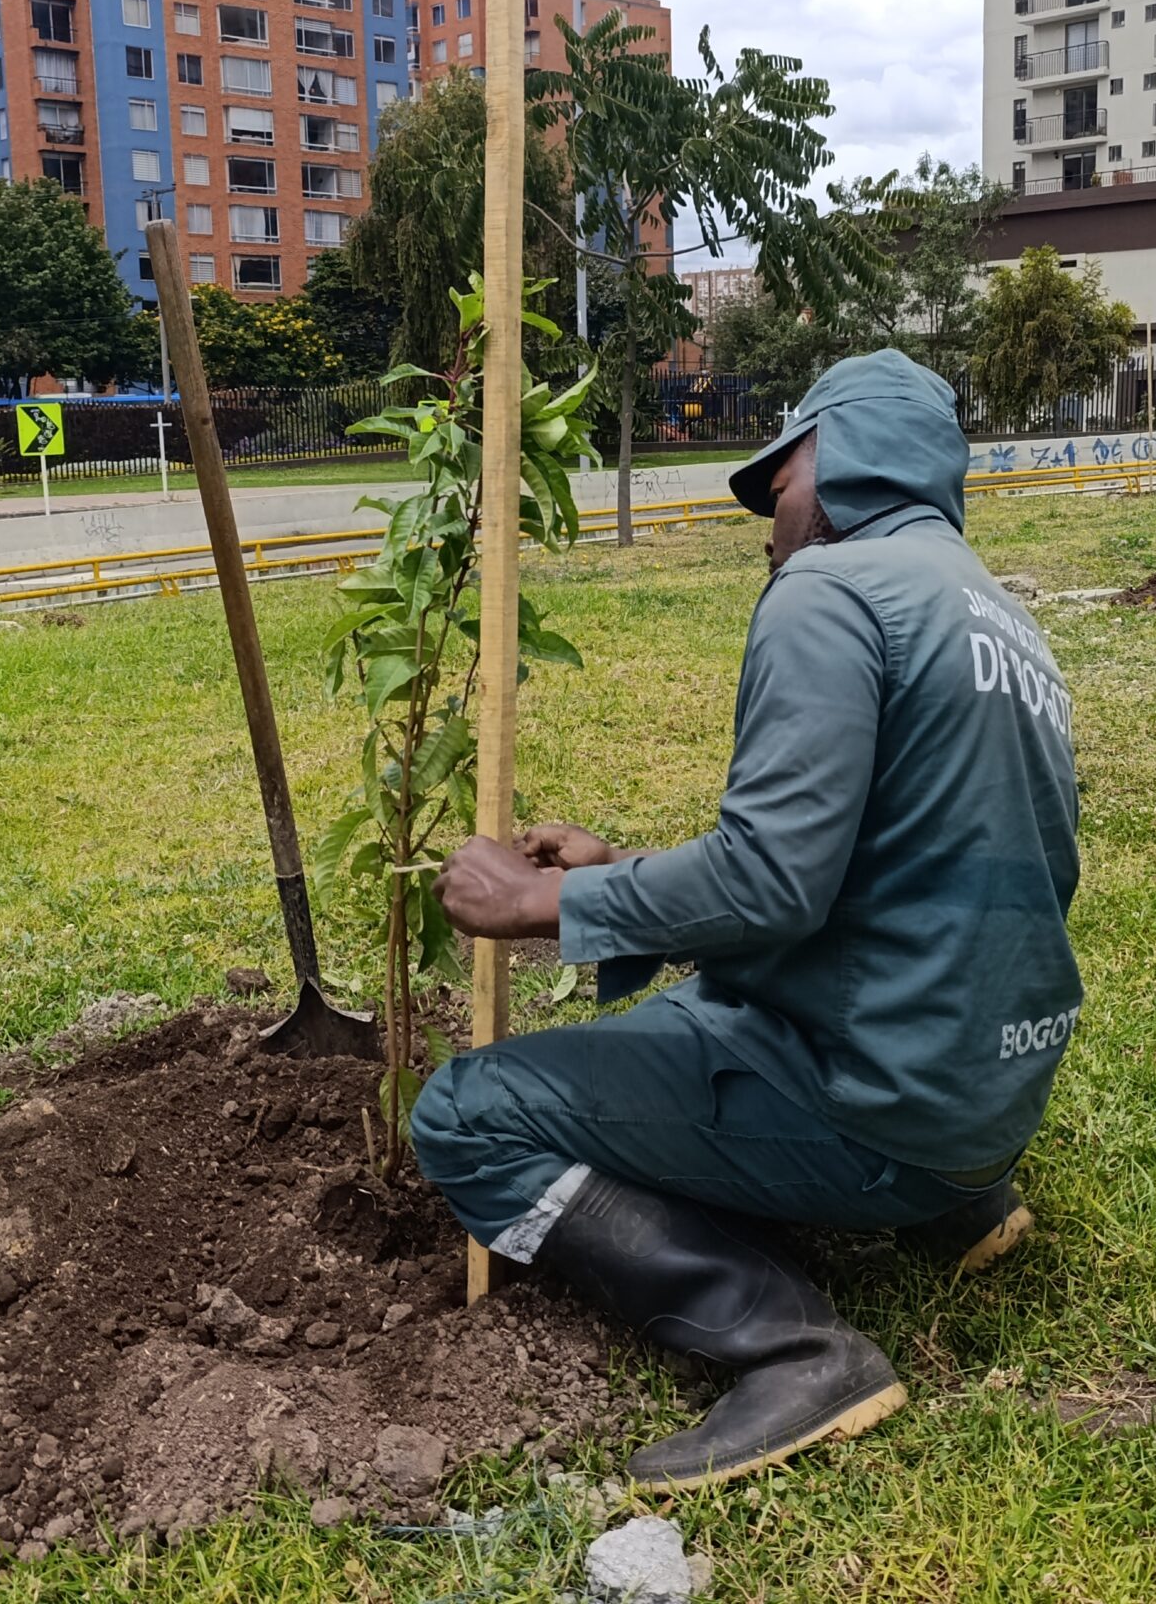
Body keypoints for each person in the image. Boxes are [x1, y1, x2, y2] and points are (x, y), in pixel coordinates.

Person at [417, 349, 1083, 1490]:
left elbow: (772, 883)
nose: (769, 531)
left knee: (468, 1115)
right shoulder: (1000, 618)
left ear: (841, 460)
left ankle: (791, 1348)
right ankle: (961, 1206)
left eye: (778, 487)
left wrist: (542, 902)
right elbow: (889, 871)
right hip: (985, 1098)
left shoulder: (830, 590)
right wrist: (623, 870)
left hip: (880, 1112)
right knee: (697, 1010)